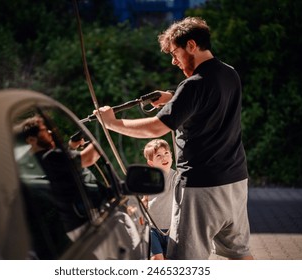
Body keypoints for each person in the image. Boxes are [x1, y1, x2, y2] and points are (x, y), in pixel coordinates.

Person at [93, 17, 253, 260]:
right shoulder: (229, 74)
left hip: (202, 187)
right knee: (239, 254)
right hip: (236, 181)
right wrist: (172, 98)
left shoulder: (193, 85)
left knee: (184, 262)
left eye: (175, 52)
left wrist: (112, 123)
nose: (173, 61)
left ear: (191, 45)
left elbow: (156, 128)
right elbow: (209, 103)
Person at [21, 115, 100, 232]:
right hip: (85, 221)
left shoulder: (37, 162)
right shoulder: (50, 157)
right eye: (43, 130)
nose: (49, 132)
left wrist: (72, 147)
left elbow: (63, 167)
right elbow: (88, 158)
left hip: (76, 223)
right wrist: (103, 127)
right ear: (31, 140)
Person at [142, 139, 176, 260]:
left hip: (173, 229)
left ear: (171, 155)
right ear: (151, 163)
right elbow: (145, 199)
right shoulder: (149, 179)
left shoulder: (177, 177)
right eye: (158, 156)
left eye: (166, 153)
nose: (164, 158)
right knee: (157, 259)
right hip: (153, 229)